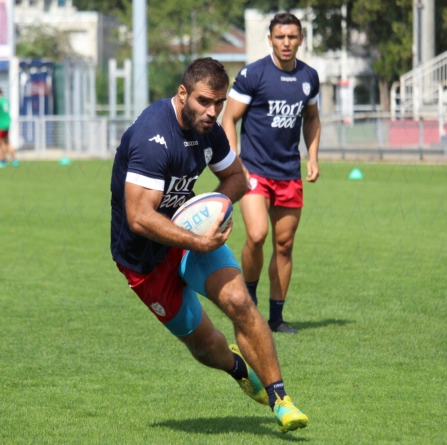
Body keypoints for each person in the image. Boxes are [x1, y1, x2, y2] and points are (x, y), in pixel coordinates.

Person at [110, 57, 308, 433]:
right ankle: (237, 368)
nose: (212, 111)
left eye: (219, 103)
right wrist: (196, 239)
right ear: (182, 93)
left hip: (192, 237)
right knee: (204, 346)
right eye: (204, 101)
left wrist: (215, 207)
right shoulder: (154, 138)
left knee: (239, 302)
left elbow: (237, 176)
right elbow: (139, 216)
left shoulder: (209, 129)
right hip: (144, 261)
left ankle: (281, 399)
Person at [221, 13, 321, 334]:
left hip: (289, 173)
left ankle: (276, 319)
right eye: (280, 37)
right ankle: (248, 302)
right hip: (254, 172)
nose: (286, 43)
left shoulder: (310, 77)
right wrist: (235, 163)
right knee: (257, 234)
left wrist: (313, 157)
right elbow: (228, 119)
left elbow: (312, 118)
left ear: (301, 39)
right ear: (270, 40)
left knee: (285, 245)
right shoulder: (254, 74)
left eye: (292, 37)